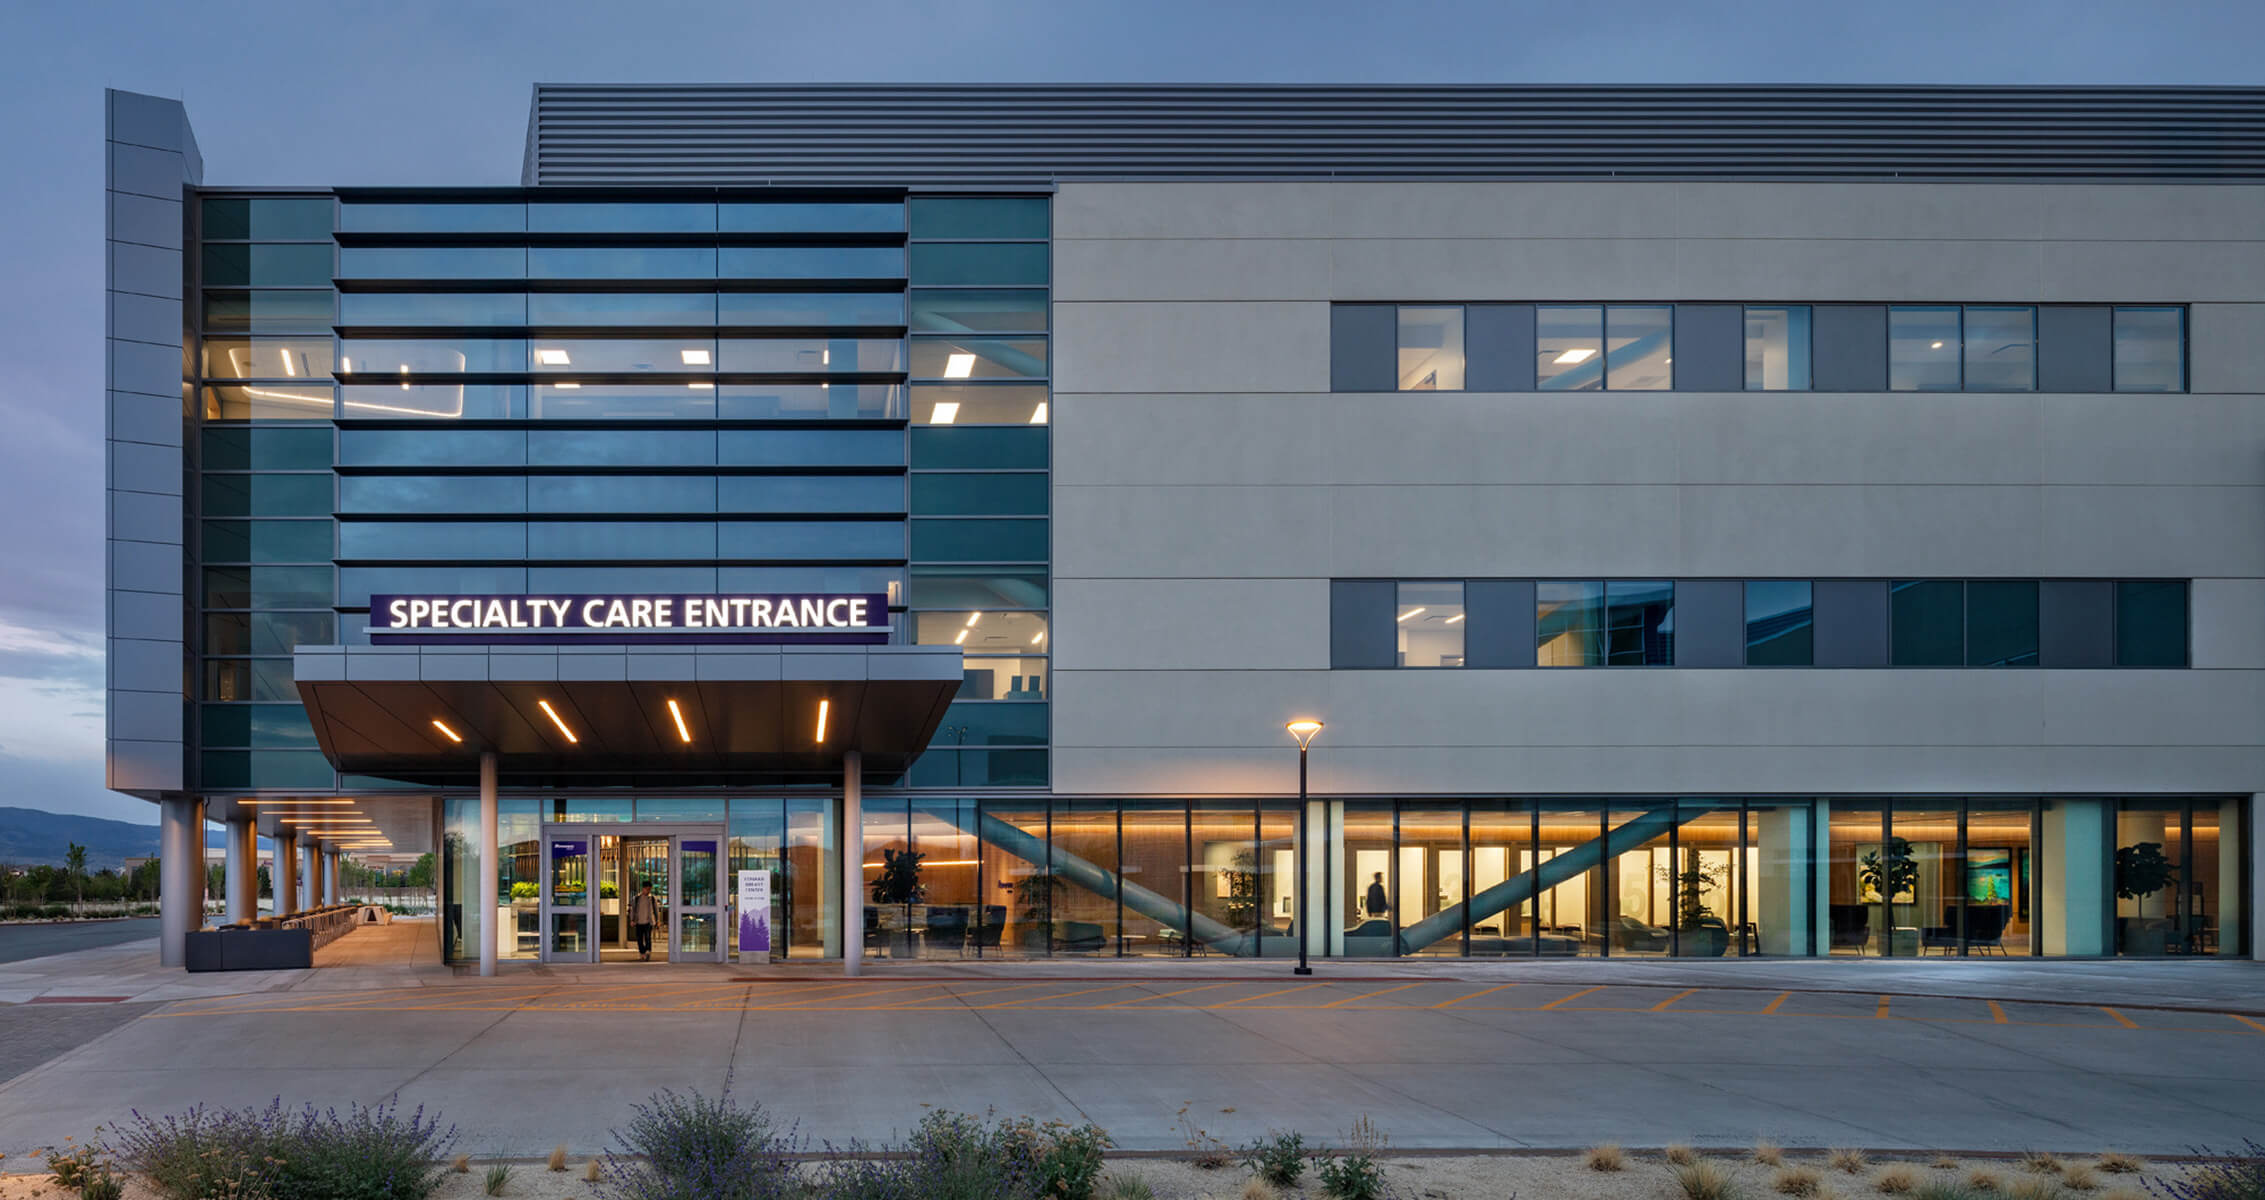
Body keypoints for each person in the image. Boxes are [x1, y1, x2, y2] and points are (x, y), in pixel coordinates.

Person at [630, 880, 660, 961]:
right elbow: (633, 910)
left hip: (648, 922)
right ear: (643, 888)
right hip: (638, 922)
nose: (648, 891)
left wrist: (657, 921)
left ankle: (648, 951)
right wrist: (632, 920)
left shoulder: (652, 898)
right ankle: (642, 952)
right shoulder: (636, 898)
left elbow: (656, 911)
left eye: (649, 889)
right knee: (639, 938)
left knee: (648, 938)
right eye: (647, 889)